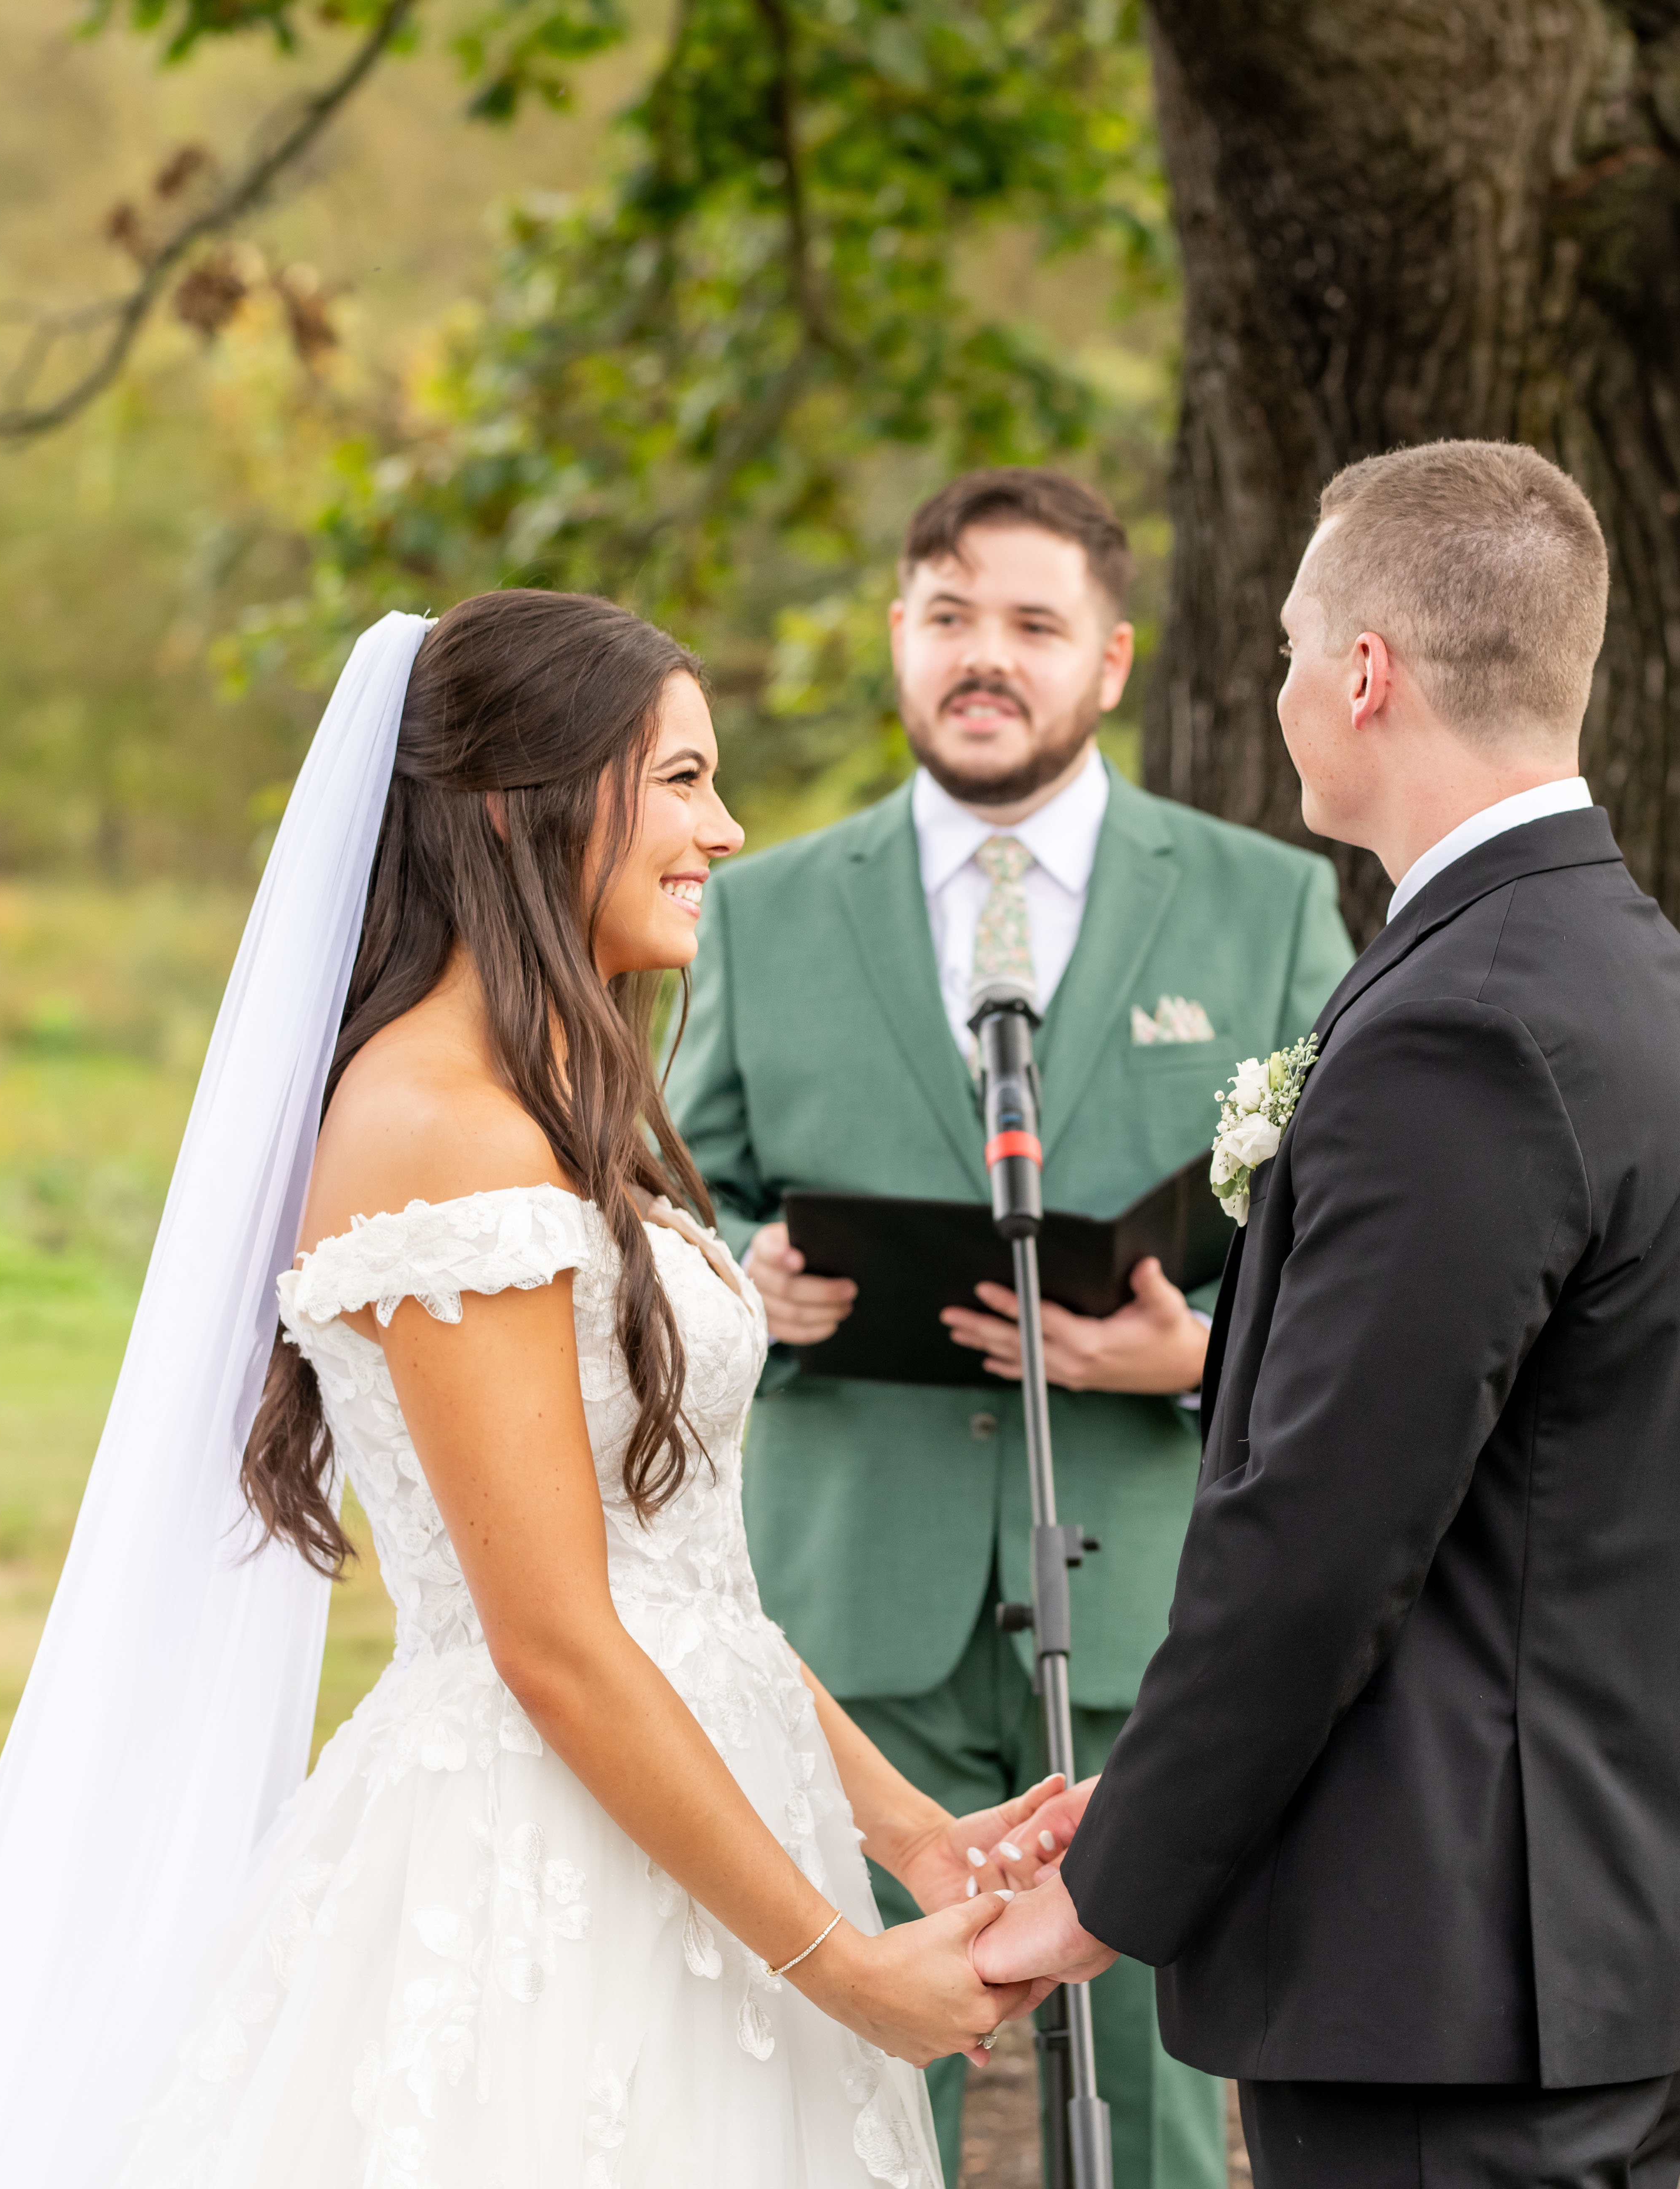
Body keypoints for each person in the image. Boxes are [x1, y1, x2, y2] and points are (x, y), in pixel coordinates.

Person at [0, 592, 1071, 2189]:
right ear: (526, 800)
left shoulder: (548, 1106)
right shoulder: (441, 1129)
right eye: (685, 780)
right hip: (545, 1862)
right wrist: (839, 1966)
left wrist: (912, 1834)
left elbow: (682, 1587)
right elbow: (555, 1642)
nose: (728, 825)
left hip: (705, 1821)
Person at [975, 442, 1680, 2189]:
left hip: (1449, 1978)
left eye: (1281, 648)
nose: (1272, 691)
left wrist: (1108, 1893)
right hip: (1568, 1932)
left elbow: (1323, 1530)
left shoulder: (1464, 1018)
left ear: (1365, 673)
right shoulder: (1621, 962)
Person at [664, 468, 1353, 2188]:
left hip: (1144, 1613)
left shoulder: (1269, 906)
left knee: (1152, 2106)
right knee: (828, 2086)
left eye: (1033, 624)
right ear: (899, 635)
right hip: (849, 1611)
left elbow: (1359, 1235)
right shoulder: (753, 904)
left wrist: (1199, 1347)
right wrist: (741, 1274)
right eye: (951, 614)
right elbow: (668, 1194)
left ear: (1109, 658)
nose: (988, 656)